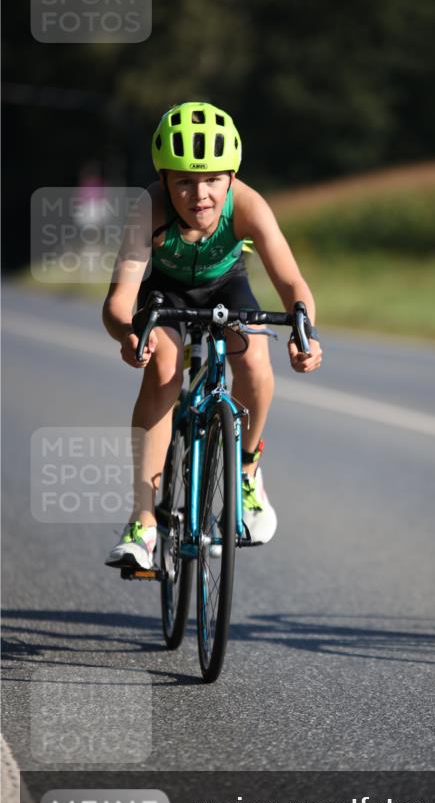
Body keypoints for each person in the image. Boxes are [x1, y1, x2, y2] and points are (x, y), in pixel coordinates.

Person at [103, 101, 322, 570]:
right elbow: (120, 301)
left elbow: (291, 284)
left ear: (231, 177)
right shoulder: (149, 210)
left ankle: (245, 472)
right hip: (165, 293)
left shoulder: (248, 204)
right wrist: (128, 334)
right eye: (184, 180)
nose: (199, 194)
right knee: (163, 363)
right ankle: (143, 520)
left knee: (254, 362)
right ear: (164, 179)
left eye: (212, 180)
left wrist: (305, 333)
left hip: (226, 285)